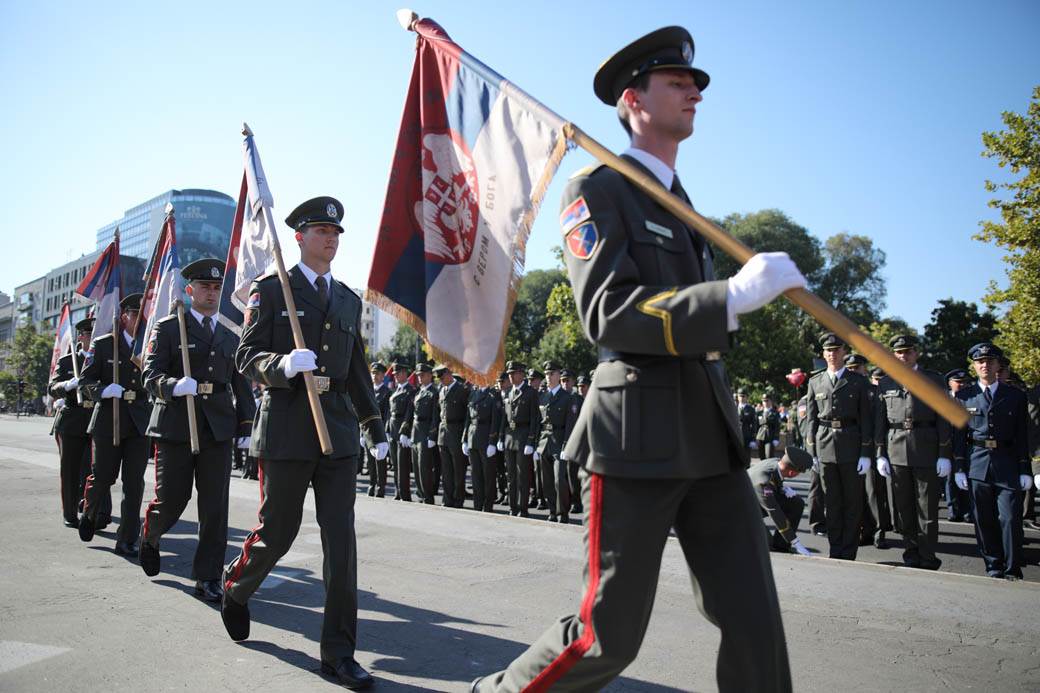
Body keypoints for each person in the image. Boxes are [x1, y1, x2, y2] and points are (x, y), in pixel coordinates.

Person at [474, 26, 804, 692]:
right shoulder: (597, 188)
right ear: (633, 99)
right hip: (636, 437)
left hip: (709, 436)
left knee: (756, 625)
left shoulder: (682, 205)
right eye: (677, 83)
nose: (694, 94)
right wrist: (730, 298)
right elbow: (611, 313)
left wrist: (729, 306)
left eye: (695, 85)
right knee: (607, 635)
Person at [220, 196, 388, 689]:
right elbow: (246, 355)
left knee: (342, 545)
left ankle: (338, 653)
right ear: (298, 237)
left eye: (335, 233)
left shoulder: (347, 299)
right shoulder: (274, 291)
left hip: (336, 430)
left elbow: (356, 370)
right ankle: (236, 586)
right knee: (278, 532)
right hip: (289, 426)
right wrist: (282, 365)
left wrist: (374, 424)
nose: (330, 239)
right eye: (320, 231)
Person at [138, 258, 256, 599]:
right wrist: (174, 385)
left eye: (217, 287)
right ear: (190, 291)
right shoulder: (168, 327)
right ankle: (152, 532)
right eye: (205, 286)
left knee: (215, 508)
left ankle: (207, 577)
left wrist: (246, 425)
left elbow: (241, 384)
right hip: (176, 423)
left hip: (217, 426)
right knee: (173, 499)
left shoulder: (229, 333)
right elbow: (150, 375)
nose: (212, 292)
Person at [78, 293, 151, 556]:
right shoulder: (104, 344)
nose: (140, 320)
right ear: (124, 317)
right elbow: (85, 383)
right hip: (109, 418)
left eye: (144, 315)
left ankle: (127, 538)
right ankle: (89, 512)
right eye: (135, 315)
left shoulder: (150, 344)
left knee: (134, 483)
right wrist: (103, 390)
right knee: (103, 477)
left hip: (140, 421)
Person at [952, 342, 1031, 580]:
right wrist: (958, 467)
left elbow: (1022, 435)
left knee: (1009, 518)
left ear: (998, 365)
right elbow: (959, 435)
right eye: (979, 362)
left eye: (989, 361)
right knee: (983, 519)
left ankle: (1012, 566)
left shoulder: (1015, 396)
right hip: (977, 463)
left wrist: (1025, 468)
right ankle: (993, 565)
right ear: (974, 366)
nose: (984, 365)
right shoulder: (964, 396)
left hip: (1007, 463)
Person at [874, 335, 951, 570]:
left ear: (916, 353)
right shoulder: (886, 383)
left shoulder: (934, 380)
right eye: (898, 353)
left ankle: (928, 557)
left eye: (907, 352)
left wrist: (944, 454)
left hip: (926, 449)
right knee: (903, 508)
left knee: (927, 508)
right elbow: (881, 421)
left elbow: (943, 420)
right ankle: (911, 553)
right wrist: (880, 453)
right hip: (896, 449)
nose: (902, 356)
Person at [805, 333, 873, 560]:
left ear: (844, 352)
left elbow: (866, 419)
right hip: (824, 447)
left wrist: (866, 453)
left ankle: (849, 551)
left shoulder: (858, 381)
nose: (832, 354)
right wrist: (811, 451)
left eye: (836, 350)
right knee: (832, 502)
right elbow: (811, 421)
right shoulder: (815, 381)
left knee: (852, 503)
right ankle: (836, 549)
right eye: (828, 351)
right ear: (823, 354)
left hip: (851, 446)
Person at [48, 316, 97, 527]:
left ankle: (87, 507)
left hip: (96, 421)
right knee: (70, 470)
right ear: (81, 336)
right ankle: (69, 513)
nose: (93, 337)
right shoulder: (68, 361)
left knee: (93, 470)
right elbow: (52, 387)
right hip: (72, 420)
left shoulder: (102, 359)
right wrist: (67, 385)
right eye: (89, 334)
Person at [748, 447, 814, 556]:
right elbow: (775, 512)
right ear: (792, 473)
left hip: (753, 504)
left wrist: (781, 488)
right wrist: (795, 542)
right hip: (739, 514)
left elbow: (774, 478)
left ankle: (781, 546)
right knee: (765, 545)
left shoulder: (775, 462)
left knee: (796, 503)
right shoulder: (763, 482)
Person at [536, 361, 580, 522]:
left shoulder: (568, 397)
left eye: (551, 374)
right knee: (546, 480)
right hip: (544, 442)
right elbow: (538, 422)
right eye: (546, 374)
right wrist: (535, 444)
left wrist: (566, 445)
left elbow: (571, 423)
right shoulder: (543, 396)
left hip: (560, 440)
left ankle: (563, 513)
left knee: (558, 479)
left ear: (558, 375)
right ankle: (553, 511)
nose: (548, 377)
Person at [502, 361, 539, 518]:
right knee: (510, 475)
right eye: (509, 374)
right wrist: (501, 438)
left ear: (521, 374)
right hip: (510, 436)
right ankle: (513, 507)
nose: (510, 376)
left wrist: (531, 441)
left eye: (513, 373)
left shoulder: (530, 393)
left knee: (522, 475)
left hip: (523, 436)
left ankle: (522, 508)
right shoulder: (508, 392)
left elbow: (535, 419)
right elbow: (505, 418)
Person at [463, 377, 501, 511]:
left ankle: (488, 504)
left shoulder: (493, 395)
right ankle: (478, 504)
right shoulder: (473, 393)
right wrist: (465, 439)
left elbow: (496, 420)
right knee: (476, 474)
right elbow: (468, 418)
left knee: (488, 475)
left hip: (486, 438)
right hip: (473, 437)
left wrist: (492, 442)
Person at [435, 364, 468, 508]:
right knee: (446, 470)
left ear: (449, 374)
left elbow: (467, 414)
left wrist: (464, 436)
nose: (441, 381)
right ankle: (447, 499)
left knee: (458, 469)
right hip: (443, 433)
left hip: (457, 431)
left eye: (442, 377)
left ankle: (458, 499)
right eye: (440, 379)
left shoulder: (462, 390)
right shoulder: (442, 390)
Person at [943, 369, 974, 522]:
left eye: (965, 382)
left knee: (966, 477)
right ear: (950, 383)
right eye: (958, 382)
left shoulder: (971, 399)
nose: (962, 385)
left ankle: (968, 511)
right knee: (950, 478)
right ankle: (953, 510)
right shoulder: (943, 400)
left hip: (966, 445)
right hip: (948, 444)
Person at [406, 363, 439, 504]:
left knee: (424, 466)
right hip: (416, 430)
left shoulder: (434, 393)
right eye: (418, 375)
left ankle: (428, 496)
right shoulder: (418, 392)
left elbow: (435, 416)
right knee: (416, 465)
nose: (420, 378)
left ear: (430, 375)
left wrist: (432, 435)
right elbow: (412, 413)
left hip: (426, 430)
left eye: (423, 375)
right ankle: (420, 493)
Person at [387, 362, 415, 501]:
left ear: (404, 373)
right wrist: (386, 429)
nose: (396, 376)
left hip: (402, 431)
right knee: (395, 464)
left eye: (398, 374)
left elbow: (409, 414)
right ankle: (398, 492)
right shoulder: (395, 391)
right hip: (392, 429)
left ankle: (405, 494)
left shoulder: (411, 391)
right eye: (394, 374)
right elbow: (389, 412)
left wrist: (405, 431)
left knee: (402, 465)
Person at [366, 362, 392, 497]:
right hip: (369, 432)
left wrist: (386, 431)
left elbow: (388, 413)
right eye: (373, 373)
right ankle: (372, 484)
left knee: (380, 461)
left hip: (380, 430)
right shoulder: (368, 391)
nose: (375, 376)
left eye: (378, 373)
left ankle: (380, 487)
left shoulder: (387, 393)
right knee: (370, 461)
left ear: (383, 376)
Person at [755, 392, 782, 460]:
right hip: (760, 437)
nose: (765, 402)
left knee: (769, 456)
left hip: (770, 437)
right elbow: (756, 426)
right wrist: (755, 437)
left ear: (771, 401)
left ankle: (770, 470)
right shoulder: (759, 413)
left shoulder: (775, 413)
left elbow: (777, 426)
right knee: (762, 457)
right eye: (764, 401)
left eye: (767, 400)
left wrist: (776, 438)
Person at [737, 388, 757, 455]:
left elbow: (754, 424)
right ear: (737, 397)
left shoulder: (751, 409)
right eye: (740, 396)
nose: (741, 398)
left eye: (743, 396)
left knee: (746, 457)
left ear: (746, 397)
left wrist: (753, 439)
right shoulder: (734, 407)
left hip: (746, 435)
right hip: (736, 435)